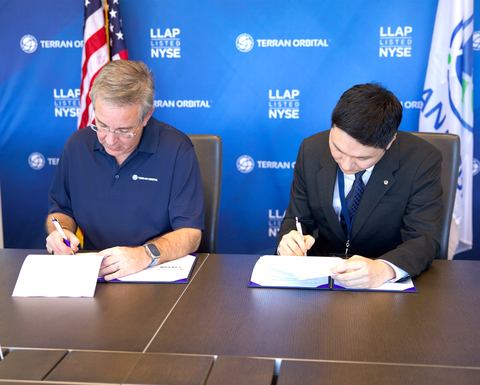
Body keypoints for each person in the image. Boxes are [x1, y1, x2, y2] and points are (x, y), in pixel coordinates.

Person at [46, 60, 204, 281]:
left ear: (146, 116)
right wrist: (59, 233)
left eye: (124, 130)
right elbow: (61, 211)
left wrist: (144, 255)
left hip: (154, 274)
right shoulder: (77, 145)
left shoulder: (177, 149)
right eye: (101, 125)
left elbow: (191, 234)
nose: (110, 140)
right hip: (95, 275)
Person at [277, 83, 443, 288]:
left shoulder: (422, 161)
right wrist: (289, 241)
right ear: (332, 126)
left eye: (361, 158)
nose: (346, 165)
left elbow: (424, 238)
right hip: (322, 278)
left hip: (382, 282)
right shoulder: (311, 150)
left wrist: (384, 269)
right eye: (337, 148)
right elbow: (297, 220)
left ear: (389, 142)